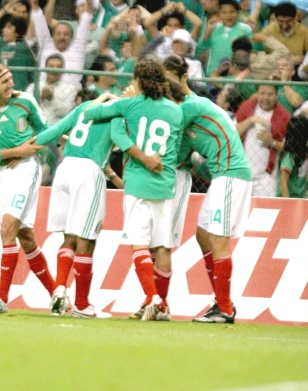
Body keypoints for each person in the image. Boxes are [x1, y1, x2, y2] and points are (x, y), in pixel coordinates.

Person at [33, 91, 162, 318]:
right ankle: (82, 305)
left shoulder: (83, 108)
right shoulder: (118, 113)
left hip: (65, 169)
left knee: (69, 236)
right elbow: (120, 140)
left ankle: (60, 289)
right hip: (87, 173)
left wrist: (28, 147)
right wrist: (143, 158)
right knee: (86, 239)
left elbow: (53, 131)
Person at [83, 58, 184, 321]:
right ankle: (163, 306)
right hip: (165, 183)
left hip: (138, 183)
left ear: (138, 81)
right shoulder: (176, 111)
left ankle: (152, 298)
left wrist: (116, 100)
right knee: (162, 246)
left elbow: (90, 114)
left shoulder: (130, 105)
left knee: (139, 243)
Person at [0, 62, 55, 314]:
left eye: (10, 78)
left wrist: (30, 150)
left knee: (7, 228)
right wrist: (17, 150)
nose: (11, 84)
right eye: (4, 81)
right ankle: (57, 294)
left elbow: (46, 131)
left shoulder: (25, 101)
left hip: (27, 169)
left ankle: (1, 298)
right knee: (25, 237)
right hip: (0, 173)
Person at [175, 70, 253, 324]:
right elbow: (179, 155)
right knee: (202, 235)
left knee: (218, 239)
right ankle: (222, 301)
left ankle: (224, 308)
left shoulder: (190, 106)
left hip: (230, 174)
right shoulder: (188, 118)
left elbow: (167, 125)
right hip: (222, 175)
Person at [236, 84, 291, 197]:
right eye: (262, 93)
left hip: (267, 176)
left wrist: (271, 142)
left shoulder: (284, 115)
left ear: (277, 95)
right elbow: (232, 133)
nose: (266, 98)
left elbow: (288, 146)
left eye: (270, 94)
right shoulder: (247, 107)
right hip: (241, 172)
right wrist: (251, 120)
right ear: (257, 94)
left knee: (266, 209)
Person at [277, 116, 308, 198]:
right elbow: (283, 181)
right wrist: (288, 204)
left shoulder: (302, 153)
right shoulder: (289, 156)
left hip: (300, 200)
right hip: (290, 200)